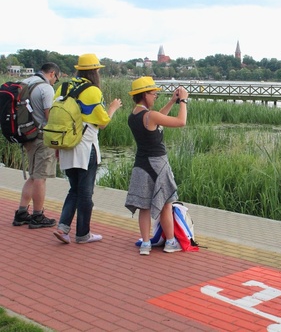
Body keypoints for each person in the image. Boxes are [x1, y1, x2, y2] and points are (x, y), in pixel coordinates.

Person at [53, 53, 122, 244]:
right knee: (85, 193)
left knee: (74, 189)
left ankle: (62, 227)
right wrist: (113, 107)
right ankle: (83, 234)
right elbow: (103, 123)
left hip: (66, 144)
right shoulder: (92, 91)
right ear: (95, 71)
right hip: (85, 147)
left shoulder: (62, 87)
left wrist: (57, 147)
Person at [124, 76, 188, 255]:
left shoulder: (134, 116)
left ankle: (145, 244)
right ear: (145, 95)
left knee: (144, 206)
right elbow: (181, 121)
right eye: (154, 94)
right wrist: (183, 101)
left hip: (141, 165)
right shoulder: (150, 116)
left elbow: (157, 118)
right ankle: (170, 241)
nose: (155, 97)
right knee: (166, 204)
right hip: (158, 164)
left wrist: (171, 101)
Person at [12, 62, 61, 229]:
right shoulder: (46, 88)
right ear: (52, 73)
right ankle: (38, 215)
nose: (55, 82)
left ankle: (21, 212)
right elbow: (50, 116)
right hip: (41, 137)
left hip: (27, 135)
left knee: (33, 175)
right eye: (56, 78)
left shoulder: (26, 81)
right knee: (40, 177)